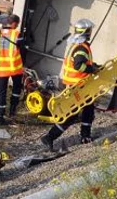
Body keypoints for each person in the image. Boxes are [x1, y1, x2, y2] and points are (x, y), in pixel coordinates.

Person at [40, 19, 100, 151]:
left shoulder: (75, 44)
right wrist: (92, 70)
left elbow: (81, 62)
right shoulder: (81, 47)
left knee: (83, 111)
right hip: (78, 86)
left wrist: (93, 66)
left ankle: (84, 136)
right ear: (86, 32)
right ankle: (52, 137)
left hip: (75, 85)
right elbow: (78, 65)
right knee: (75, 114)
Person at [0, 14, 24, 126]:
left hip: (0, 68)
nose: (17, 26)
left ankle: (0, 117)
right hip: (14, 68)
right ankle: (12, 113)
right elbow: (23, 50)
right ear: (14, 23)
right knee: (16, 91)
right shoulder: (17, 34)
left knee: (1, 93)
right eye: (17, 24)